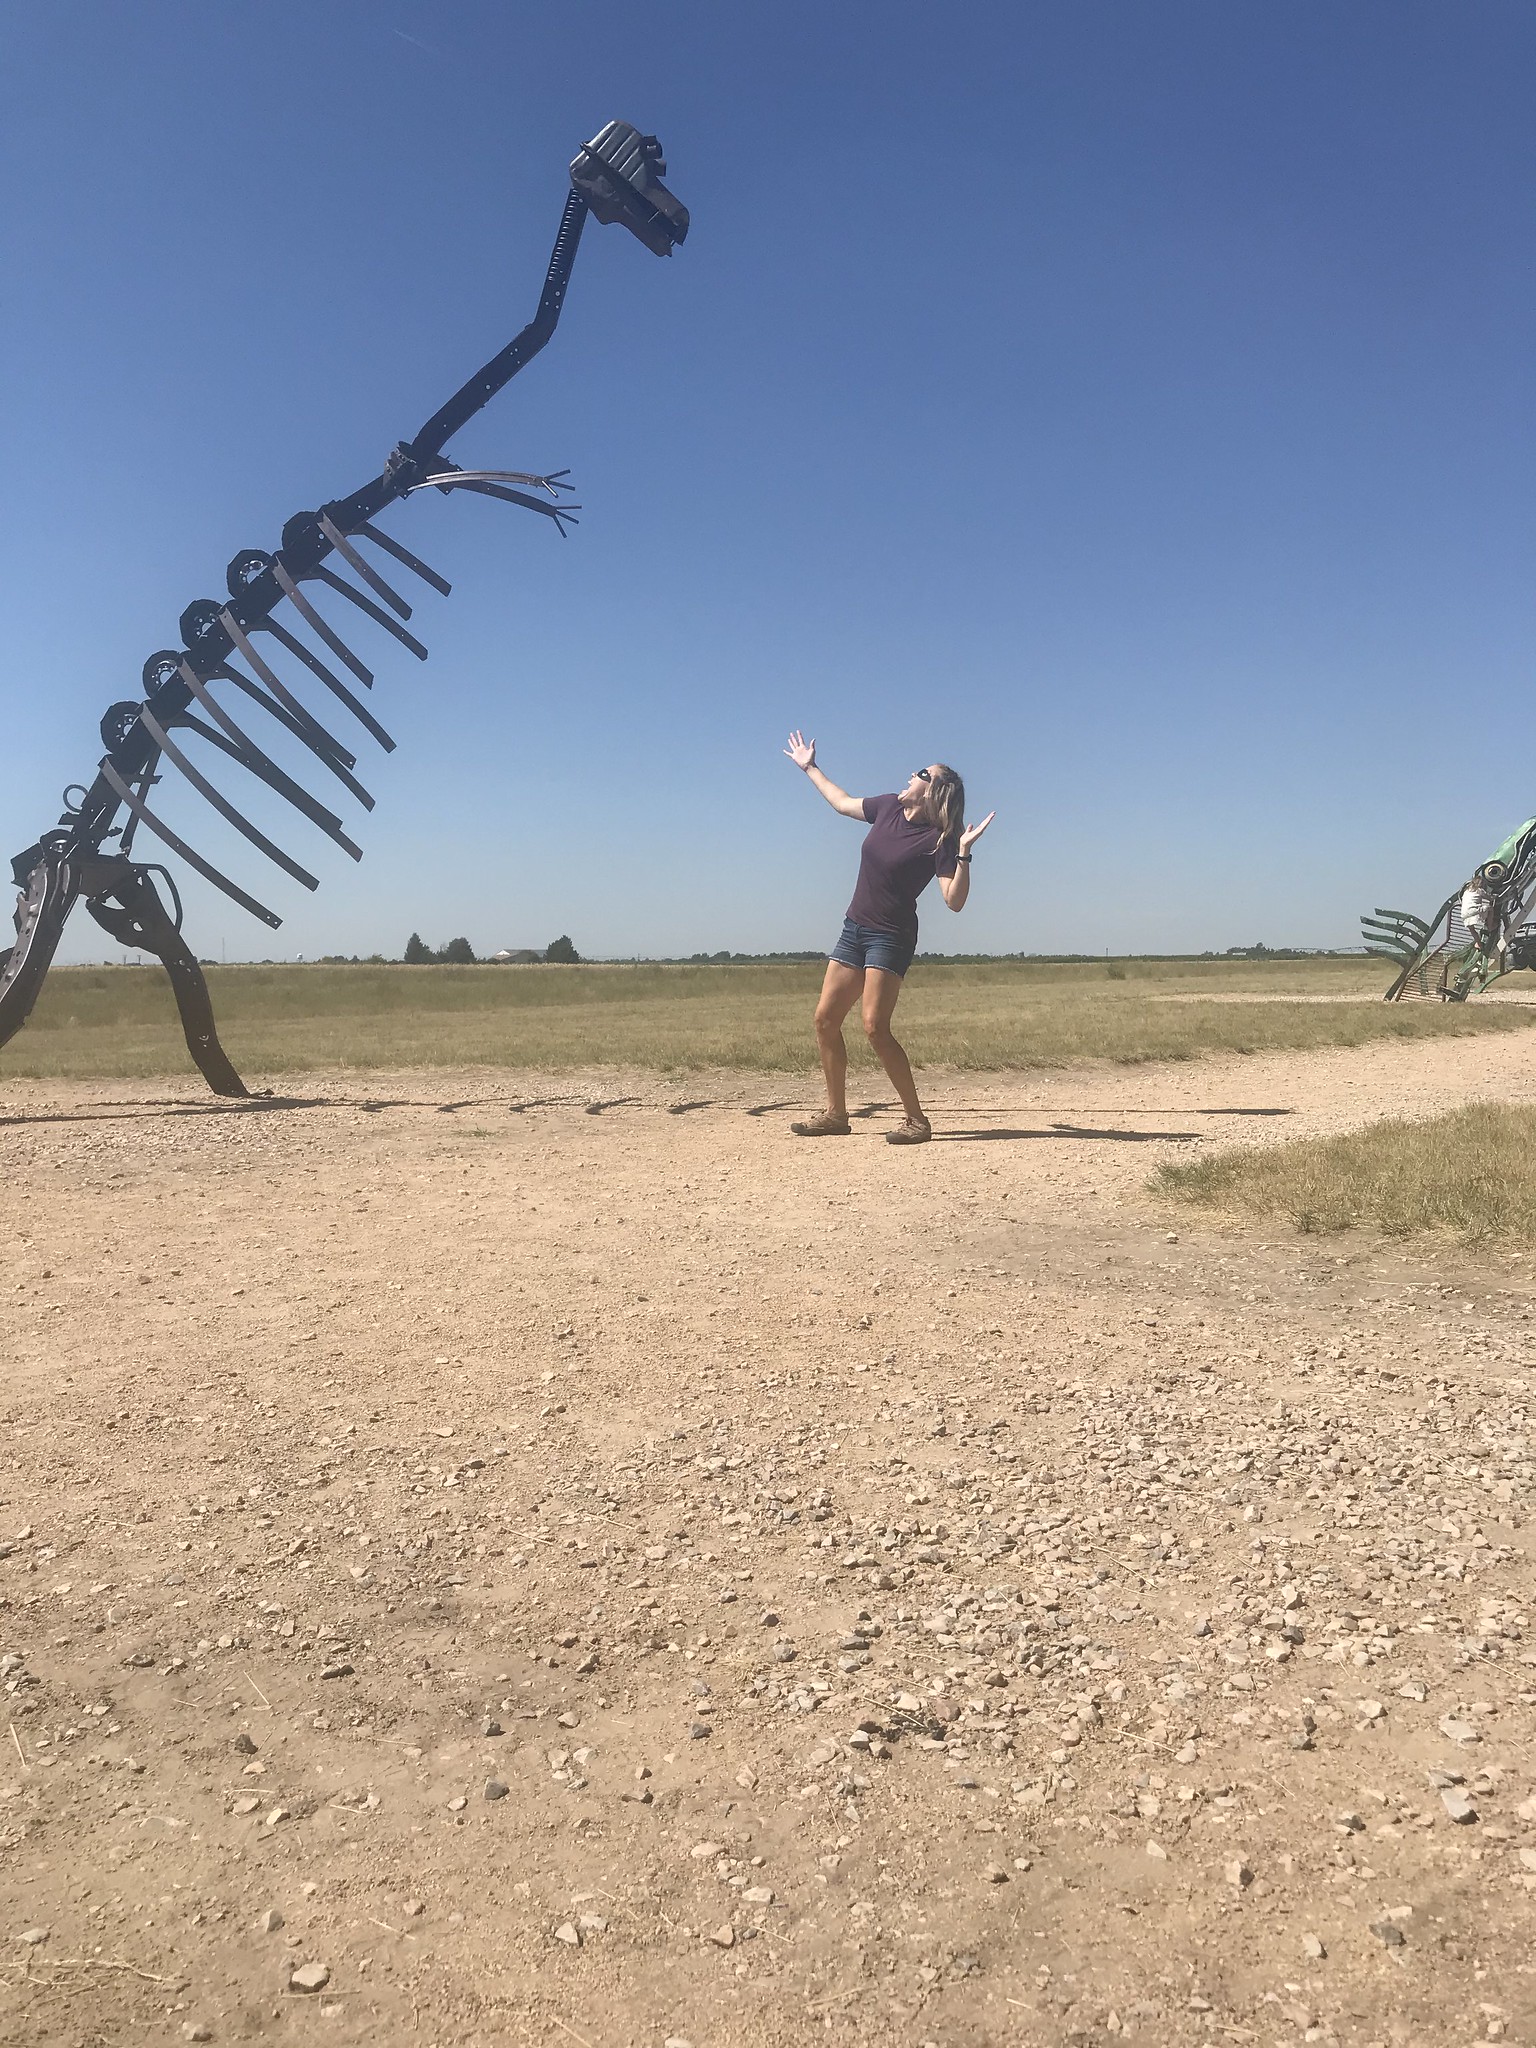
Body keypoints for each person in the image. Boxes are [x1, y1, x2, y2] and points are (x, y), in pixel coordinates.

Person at [783, 730, 995, 1143]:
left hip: (891, 936)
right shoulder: (886, 809)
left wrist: (965, 852)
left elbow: (954, 900)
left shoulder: (940, 840)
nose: (909, 776)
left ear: (934, 792)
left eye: (920, 773)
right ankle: (836, 1115)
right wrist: (810, 767)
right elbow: (842, 803)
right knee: (825, 1020)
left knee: (875, 1027)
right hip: (854, 928)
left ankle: (917, 1121)